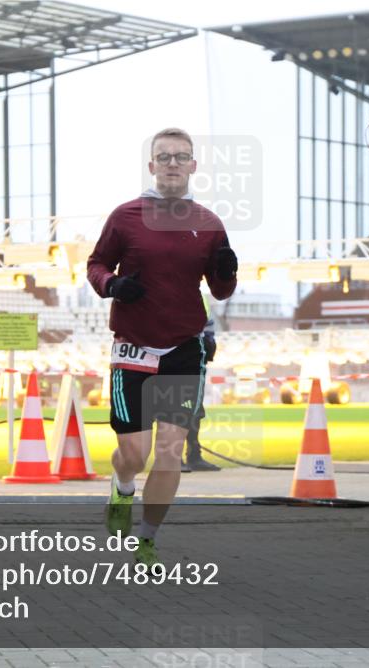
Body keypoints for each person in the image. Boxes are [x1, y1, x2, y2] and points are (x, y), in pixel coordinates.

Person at [87, 128, 237, 568]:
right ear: (151, 166)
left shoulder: (209, 223)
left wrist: (228, 271)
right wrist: (112, 284)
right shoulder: (125, 215)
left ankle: (146, 539)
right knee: (136, 453)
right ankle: (122, 486)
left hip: (183, 349)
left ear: (193, 166)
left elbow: (221, 290)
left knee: (170, 451)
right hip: (132, 348)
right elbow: (96, 264)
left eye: (181, 157)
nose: (173, 163)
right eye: (164, 157)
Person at [182, 295, 220, 473]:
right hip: (175, 359)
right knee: (173, 411)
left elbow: (208, 325)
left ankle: (193, 455)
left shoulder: (199, 295)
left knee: (195, 411)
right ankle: (172, 457)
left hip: (196, 360)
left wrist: (209, 344)